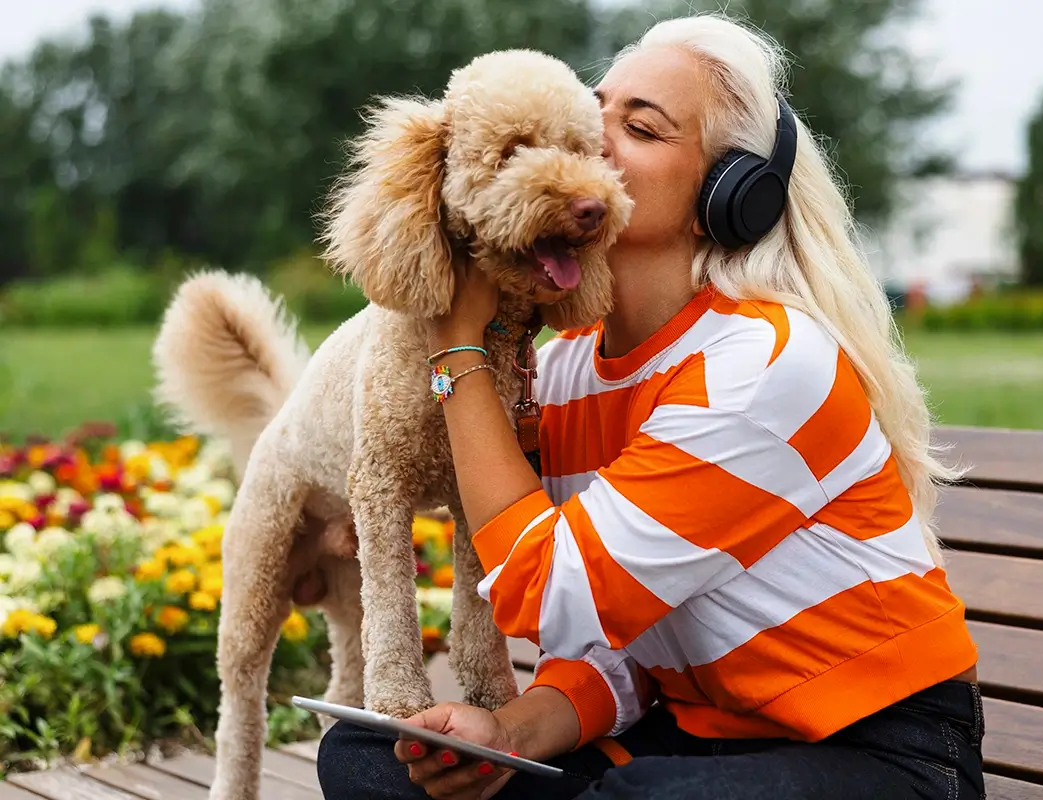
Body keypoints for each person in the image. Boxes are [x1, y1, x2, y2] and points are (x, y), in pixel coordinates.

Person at [316, 11, 985, 800]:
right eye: (592, 112)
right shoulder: (564, 368)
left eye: (640, 127)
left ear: (729, 194)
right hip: (691, 737)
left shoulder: (764, 363)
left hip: (878, 752)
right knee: (368, 758)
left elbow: (551, 591)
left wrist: (457, 350)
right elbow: (609, 641)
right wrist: (510, 734)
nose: (595, 141)